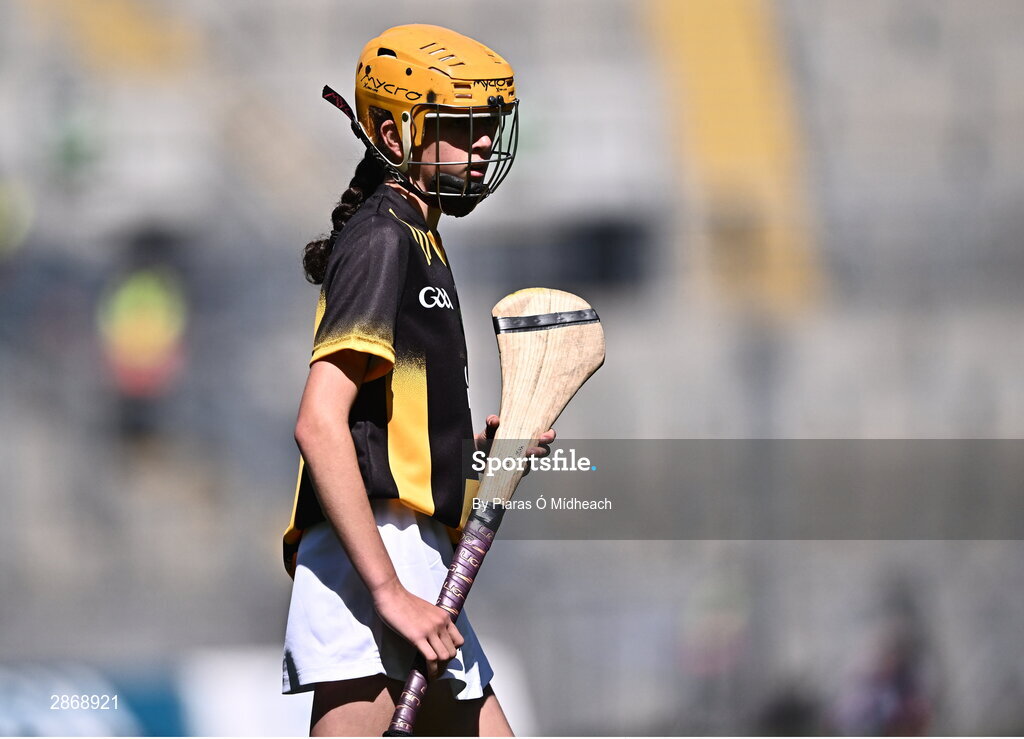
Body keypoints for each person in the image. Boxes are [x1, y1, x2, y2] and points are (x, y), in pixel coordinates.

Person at [281, 24, 552, 737]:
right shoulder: (382, 239)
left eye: (488, 126)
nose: (484, 144)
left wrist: (485, 465)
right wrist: (387, 590)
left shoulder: (418, 235)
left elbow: (394, 434)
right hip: (374, 559)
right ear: (396, 138)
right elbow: (320, 421)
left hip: (416, 557)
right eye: (461, 128)